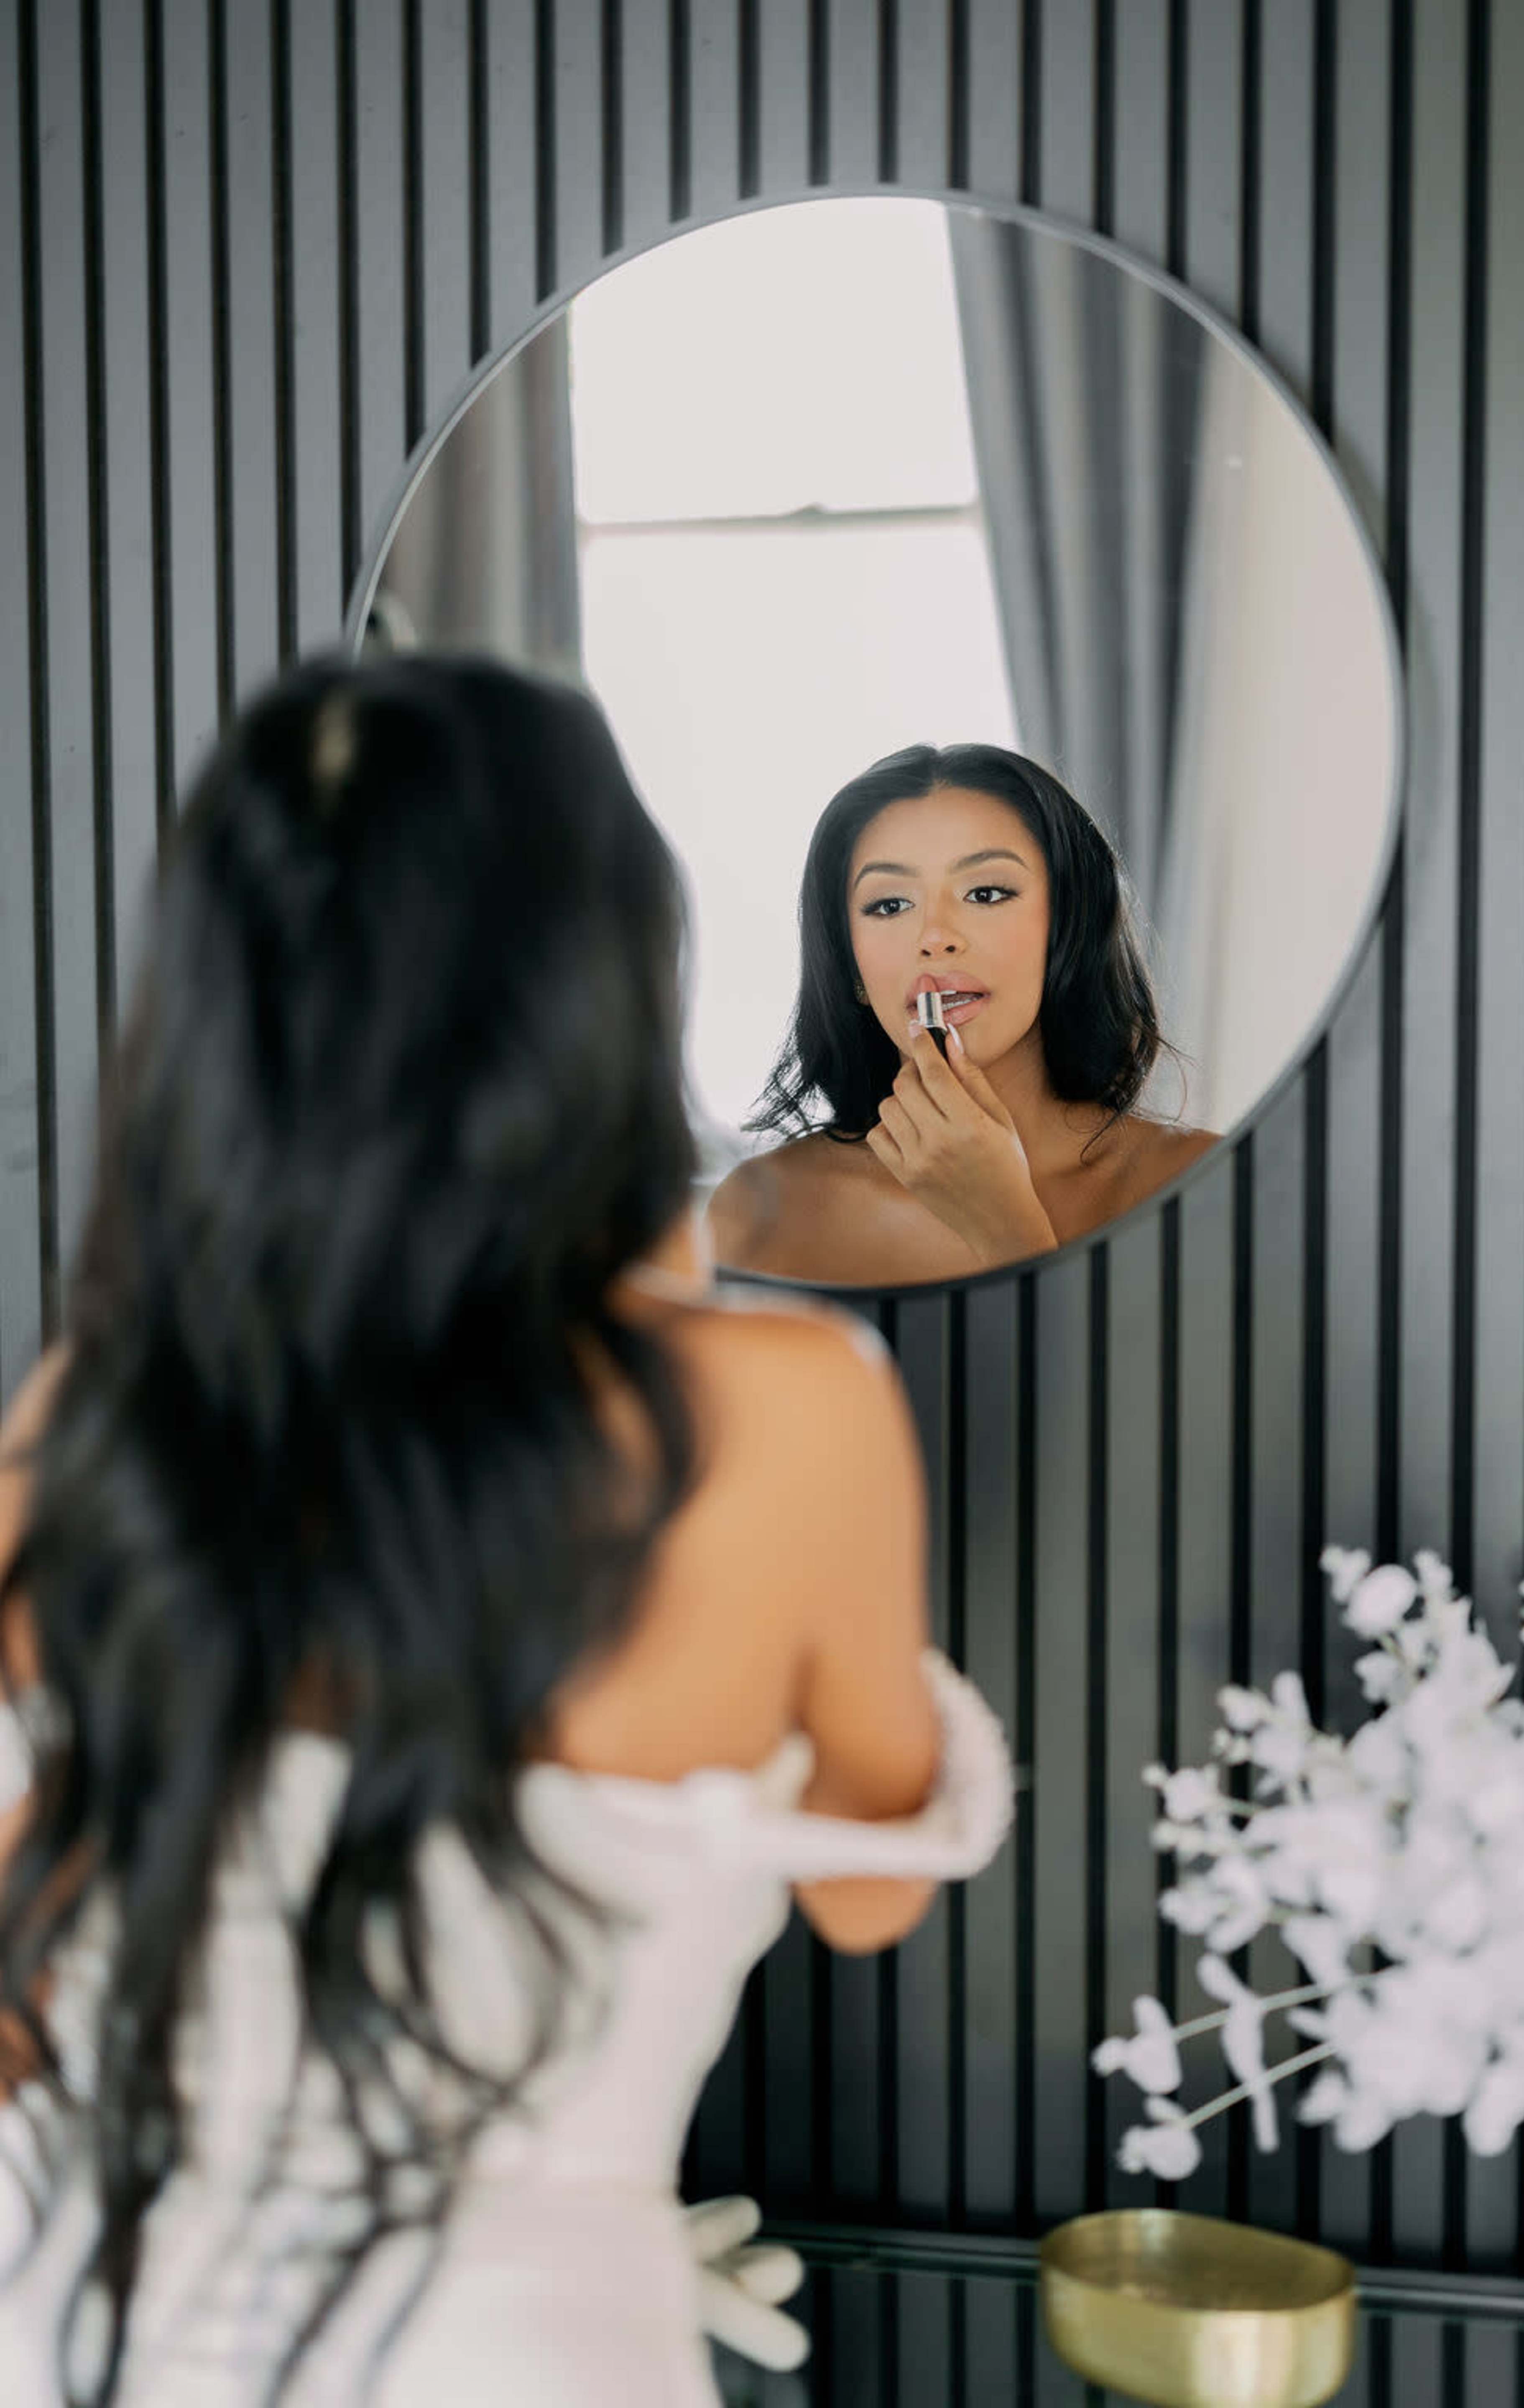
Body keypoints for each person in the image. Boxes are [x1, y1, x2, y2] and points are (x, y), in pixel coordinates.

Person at [0, 658, 1011, 2405]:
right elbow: (866, 1892)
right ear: (600, 989)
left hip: (86, 2329)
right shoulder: (786, 1417)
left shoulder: (89, 1421)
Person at [710, 743, 1218, 1286]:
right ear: (850, 963)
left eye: (986, 893)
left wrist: (1008, 1229)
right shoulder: (757, 1214)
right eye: (890, 905)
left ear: (1067, 929)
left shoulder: (1207, 1184)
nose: (935, 937)